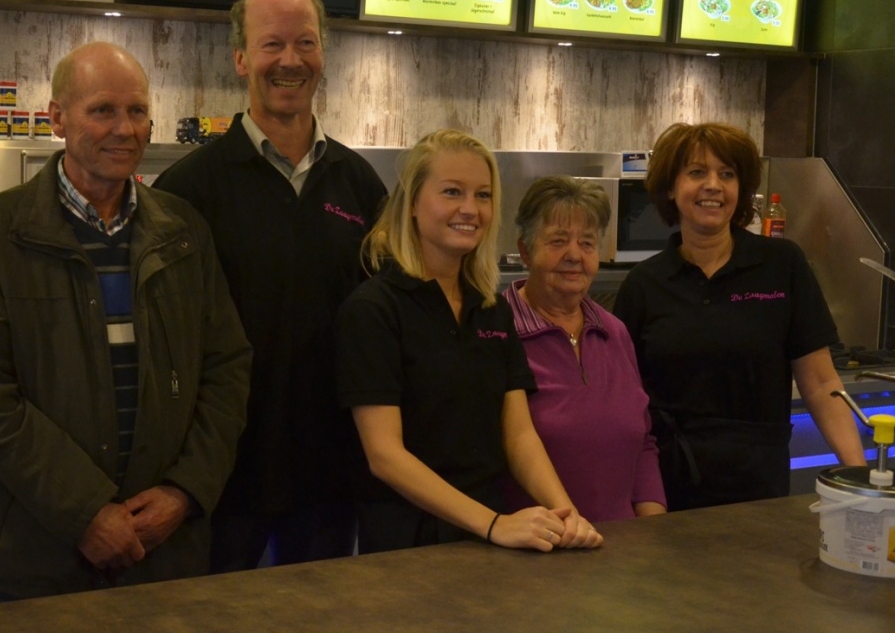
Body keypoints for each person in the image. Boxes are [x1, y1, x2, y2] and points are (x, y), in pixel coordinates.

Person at [0, 42, 252, 599]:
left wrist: (184, 491)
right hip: (41, 557)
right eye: (102, 110)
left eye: (137, 111)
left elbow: (227, 369)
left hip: (166, 553)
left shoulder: (183, 231)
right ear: (58, 118)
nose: (124, 129)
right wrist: (83, 511)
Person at [154, 0, 387, 572]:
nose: (291, 60)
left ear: (323, 56)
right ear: (240, 59)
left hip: (331, 474)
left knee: (318, 613)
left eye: (306, 43)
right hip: (222, 477)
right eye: (271, 45)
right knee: (211, 614)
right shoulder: (188, 190)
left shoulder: (361, 185)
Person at [336, 129, 603, 553]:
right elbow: (385, 456)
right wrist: (493, 524)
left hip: (489, 539)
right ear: (412, 204)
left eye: (482, 195)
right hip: (406, 543)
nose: (470, 209)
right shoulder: (374, 309)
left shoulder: (490, 308)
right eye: (452, 192)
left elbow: (518, 435)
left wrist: (566, 514)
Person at [613, 122, 866, 511]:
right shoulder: (644, 284)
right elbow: (625, 401)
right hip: (667, 488)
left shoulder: (782, 264)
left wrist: (858, 478)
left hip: (759, 483)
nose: (713, 185)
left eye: (727, 174)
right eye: (697, 172)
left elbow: (819, 382)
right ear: (671, 188)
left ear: (741, 189)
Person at [502, 176, 666, 523]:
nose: (574, 255)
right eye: (558, 241)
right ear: (525, 251)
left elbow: (643, 443)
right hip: (535, 545)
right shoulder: (496, 332)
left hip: (623, 544)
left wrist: (654, 525)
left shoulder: (614, 332)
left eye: (587, 243)